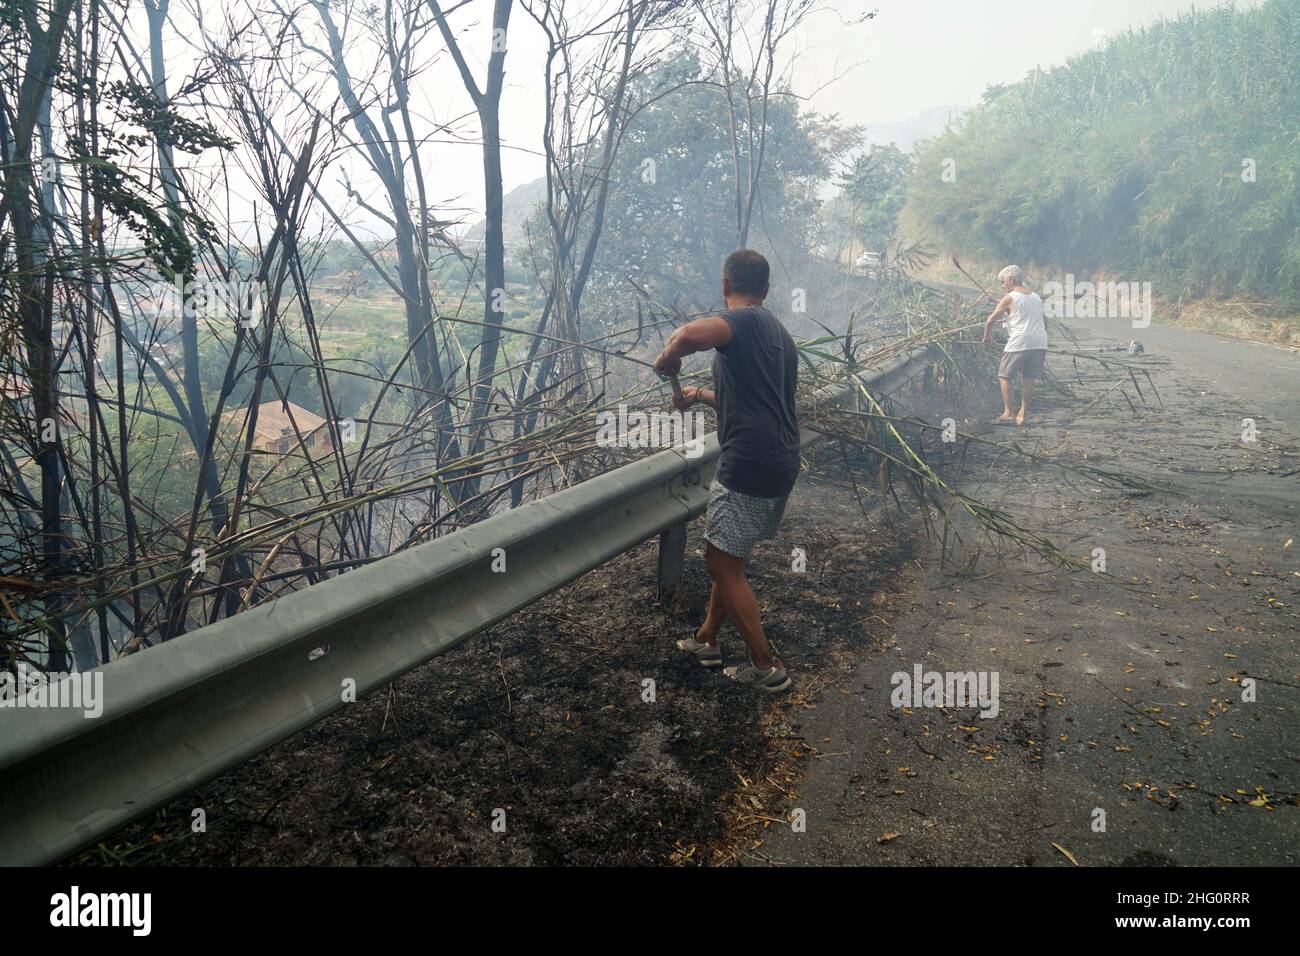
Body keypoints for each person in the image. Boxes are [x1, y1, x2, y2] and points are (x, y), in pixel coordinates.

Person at [652, 249, 799, 694]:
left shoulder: (744, 321)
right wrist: (696, 393)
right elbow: (757, 401)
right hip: (779, 457)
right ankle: (706, 640)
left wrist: (669, 355)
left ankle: (766, 667)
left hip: (750, 460)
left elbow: (692, 333)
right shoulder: (779, 334)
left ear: (724, 285)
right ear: (767, 289)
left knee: (720, 561)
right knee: (728, 558)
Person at [982, 264, 1048, 425]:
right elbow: (1025, 310)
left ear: (1011, 279)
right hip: (1039, 342)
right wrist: (999, 302)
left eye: (1003, 281)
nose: (1003, 285)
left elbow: (990, 320)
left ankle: (1009, 412)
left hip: (1020, 342)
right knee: (1029, 378)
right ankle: (1023, 415)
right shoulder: (1035, 296)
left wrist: (987, 338)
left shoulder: (1010, 297)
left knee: (1004, 376)